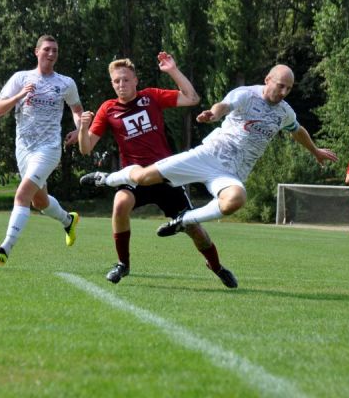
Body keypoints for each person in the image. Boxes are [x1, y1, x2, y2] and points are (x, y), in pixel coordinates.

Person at [83, 64, 338, 241]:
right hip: (208, 155)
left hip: (232, 172)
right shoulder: (246, 95)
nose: (283, 92)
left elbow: (297, 130)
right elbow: (224, 105)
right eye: (280, 86)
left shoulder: (285, 111)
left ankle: (184, 220)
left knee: (235, 200)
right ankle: (106, 178)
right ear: (268, 80)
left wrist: (315, 151)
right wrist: (213, 114)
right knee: (141, 178)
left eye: (288, 89)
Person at [77, 53, 237, 288]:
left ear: (135, 80)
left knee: (194, 229)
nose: (121, 84)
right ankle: (123, 264)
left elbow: (192, 98)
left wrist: (172, 70)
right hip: (133, 175)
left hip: (164, 174)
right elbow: (86, 148)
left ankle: (216, 266)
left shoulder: (151, 97)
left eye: (125, 80)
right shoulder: (107, 109)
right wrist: (83, 127)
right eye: (116, 81)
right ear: (112, 83)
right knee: (120, 204)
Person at [0, 35, 83, 265]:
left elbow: (77, 109)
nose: (51, 53)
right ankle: (68, 220)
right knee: (40, 202)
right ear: (36, 52)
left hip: (48, 148)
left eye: (55, 50)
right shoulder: (21, 78)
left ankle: (5, 248)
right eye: (47, 49)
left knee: (22, 195)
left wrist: (79, 131)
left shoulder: (65, 82)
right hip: (24, 149)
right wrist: (20, 95)